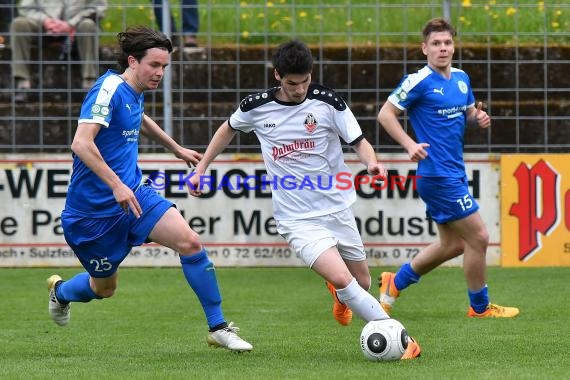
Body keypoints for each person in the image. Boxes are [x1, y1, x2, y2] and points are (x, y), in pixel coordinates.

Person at [189, 39, 421, 359]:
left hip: (337, 208)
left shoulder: (328, 103)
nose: (299, 90)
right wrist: (201, 168)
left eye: (305, 81)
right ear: (277, 77)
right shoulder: (256, 107)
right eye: (291, 83)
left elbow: (358, 140)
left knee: (361, 282)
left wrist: (372, 162)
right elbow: (227, 129)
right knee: (342, 277)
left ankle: (341, 297)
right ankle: (400, 337)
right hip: (296, 218)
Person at [47, 25, 252, 352]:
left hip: (135, 198)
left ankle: (218, 327)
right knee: (104, 289)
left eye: (165, 67)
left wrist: (175, 148)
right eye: (154, 65)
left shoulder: (133, 91)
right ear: (132, 61)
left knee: (190, 242)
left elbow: (137, 118)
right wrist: (116, 185)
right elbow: (81, 144)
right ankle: (61, 293)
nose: (160, 73)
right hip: (92, 215)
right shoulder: (108, 90)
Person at [376, 17, 519, 319]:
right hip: (436, 174)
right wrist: (409, 144)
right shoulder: (418, 81)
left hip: (454, 172)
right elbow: (386, 115)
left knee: (453, 244)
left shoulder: (461, 78)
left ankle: (394, 282)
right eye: (436, 44)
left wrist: (477, 119)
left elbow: (466, 113)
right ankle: (480, 307)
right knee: (479, 237)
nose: (443, 48)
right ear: (424, 48)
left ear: (454, 46)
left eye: (448, 43)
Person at [10, 0, 106, 99]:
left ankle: (89, 84)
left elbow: (99, 8)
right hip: (44, 27)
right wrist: (44, 20)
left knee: (88, 25)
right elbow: (25, 7)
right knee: (19, 24)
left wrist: (71, 24)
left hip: (77, 27)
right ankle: (22, 84)